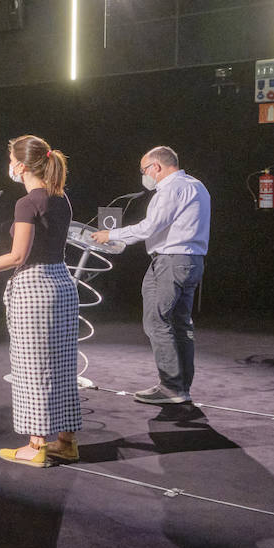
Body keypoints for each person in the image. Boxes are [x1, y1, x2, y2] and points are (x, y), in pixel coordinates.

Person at [0, 135, 79, 468]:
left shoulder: (27, 203)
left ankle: (36, 446)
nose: (9, 165)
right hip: (62, 284)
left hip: (35, 289)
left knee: (33, 368)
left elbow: (18, 256)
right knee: (61, 366)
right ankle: (66, 442)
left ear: (22, 165)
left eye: (11, 159)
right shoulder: (61, 198)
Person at [90, 145, 210, 405]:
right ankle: (180, 387)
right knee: (179, 324)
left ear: (156, 167)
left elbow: (151, 226)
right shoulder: (197, 185)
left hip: (171, 260)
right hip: (188, 260)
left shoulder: (172, 188)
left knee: (157, 322)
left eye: (144, 170)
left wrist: (111, 234)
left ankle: (171, 387)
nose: (144, 176)